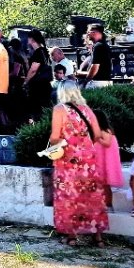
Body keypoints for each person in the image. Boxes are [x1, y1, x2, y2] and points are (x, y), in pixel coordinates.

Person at [48, 80, 108, 247]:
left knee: (69, 196)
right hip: (88, 159)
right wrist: (84, 144)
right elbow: (97, 134)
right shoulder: (87, 109)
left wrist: (58, 143)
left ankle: (72, 237)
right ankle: (98, 237)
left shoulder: (59, 109)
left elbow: (55, 137)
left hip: (68, 160)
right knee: (92, 196)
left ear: (61, 92)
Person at [93, 111, 122, 209]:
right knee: (100, 185)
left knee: (105, 185)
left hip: (104, 162)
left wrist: (98, 139)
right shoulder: (98, 130)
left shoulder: (104, 131)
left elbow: (107, 143)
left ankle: (108, 205)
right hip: (99, 160)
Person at [23, 30, 53, 118]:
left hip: (38, 86)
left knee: (38, 110)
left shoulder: (38, 52)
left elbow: (33, 70)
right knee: (46, 108)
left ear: (32, 39)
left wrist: (26, 81)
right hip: (45, 84)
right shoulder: (44, 51)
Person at [82, 24, 113, 88]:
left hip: (97, 83)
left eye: (88, 32)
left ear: (95, 32)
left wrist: (86, 81)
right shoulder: (104, 45)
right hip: (105, 82)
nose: (87, 34)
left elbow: (95, 67)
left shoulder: (98, 46)